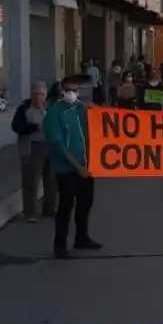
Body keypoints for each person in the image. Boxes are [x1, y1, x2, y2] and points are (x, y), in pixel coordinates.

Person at [43, 75, 101, 258]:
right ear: (61, 90)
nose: (71, 94)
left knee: (86, 202)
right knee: (66, 205)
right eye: (68, 90)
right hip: (66, 168)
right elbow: (59, 146)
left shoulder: (82, 109)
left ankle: (81, 237)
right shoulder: (54, 113)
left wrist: (99, 111)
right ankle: (60, 245)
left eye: (75, 90)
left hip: (87, 165)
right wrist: (78, 168)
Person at [11, 82, 57, 222]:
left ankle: (50, 208)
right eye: (36, 94)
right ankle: (30, 212)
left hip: (50, 147)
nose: (39, 97)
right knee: (31, 182)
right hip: (32, 147)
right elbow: (16, 127)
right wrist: (33, 127)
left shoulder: (51, 107)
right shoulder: (24, 108)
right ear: (31, 95)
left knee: (51, 180)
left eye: (41, 94)